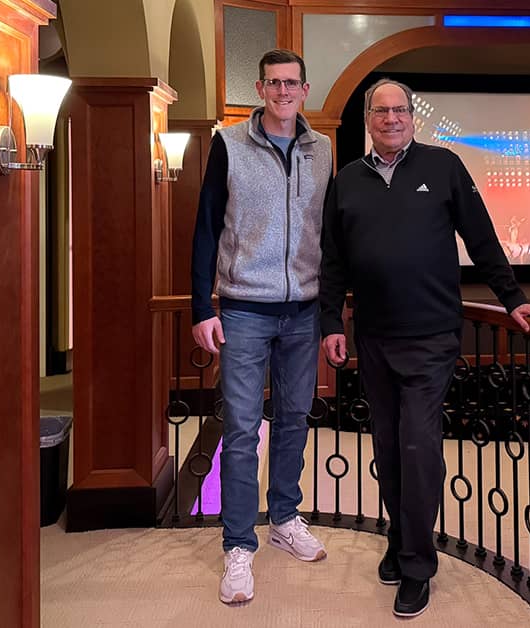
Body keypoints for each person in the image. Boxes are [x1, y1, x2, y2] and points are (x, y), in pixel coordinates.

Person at [318, 79, 530, 618]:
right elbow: (333, 261)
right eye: (382, 111)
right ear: (368, 120)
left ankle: (418, 565)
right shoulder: (347, 181)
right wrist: (331, 322)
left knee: (419, 448)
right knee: (389, 447)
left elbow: (482, 237)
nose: (392, 118)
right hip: (373, 337)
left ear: (412, 119)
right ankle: (402, 541)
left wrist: (512, 299)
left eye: (401, 110)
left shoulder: (443, 167)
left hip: (431, 338)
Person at [190, 48, 333, 605]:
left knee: (295, 418)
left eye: (291, 83)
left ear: (303, 89)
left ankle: (285, 518)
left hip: (303, 310)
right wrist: (203, 307)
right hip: (245, 308)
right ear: (259, 88)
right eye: (272, 83)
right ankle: (238, 546)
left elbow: (330, 232)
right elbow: (204, 226)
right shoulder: (228, 144)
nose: (282, 92)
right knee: (244, 429)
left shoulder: (322, 151)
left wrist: (329, 307)